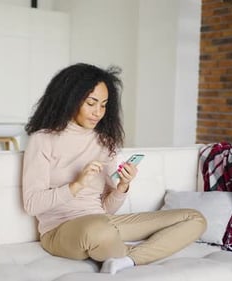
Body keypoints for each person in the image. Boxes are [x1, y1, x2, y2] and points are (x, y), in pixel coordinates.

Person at [22, 63, 206, 274]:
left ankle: (127, 260)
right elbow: (32, 204)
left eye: (103, 105)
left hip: (103, 223)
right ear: (70, 100)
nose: (98, 112)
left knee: (194, 218)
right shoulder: (43, 140)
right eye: (91, 103)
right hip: (60, 231)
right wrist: (77, 185)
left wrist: (122, 187)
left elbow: (106, 210)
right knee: (100, 230)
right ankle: (132, 253)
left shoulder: (104, 142)